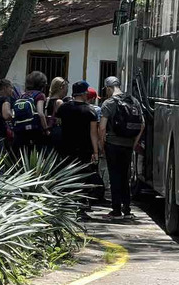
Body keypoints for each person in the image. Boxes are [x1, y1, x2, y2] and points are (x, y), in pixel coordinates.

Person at [99, 76, 144, 220]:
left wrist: (102, 144)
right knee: (125, 176)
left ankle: (116, 210)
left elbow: (102, 127)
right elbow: (142, 124)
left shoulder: (109, 103)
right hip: (128, 145)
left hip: (112, 144)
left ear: (108, 88)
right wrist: (134, 142)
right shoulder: (134, 101)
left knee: (115, 177)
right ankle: (127, 209)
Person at [57, 81, 102, 210]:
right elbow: (93, 133)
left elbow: (59, 125)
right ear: (84, 93)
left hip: (66, 147)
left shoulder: (63, 108)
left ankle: (68, 202)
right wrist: (96, 152)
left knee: (67, 175)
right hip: (84, 149)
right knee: (83, 176)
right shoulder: (90, 111)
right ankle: (81, 204)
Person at [11, 71, 49, 154]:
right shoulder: (40, 95)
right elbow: (40, 113)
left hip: (20, 131)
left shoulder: (23, 95)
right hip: (34, 132)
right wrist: (46, 129)